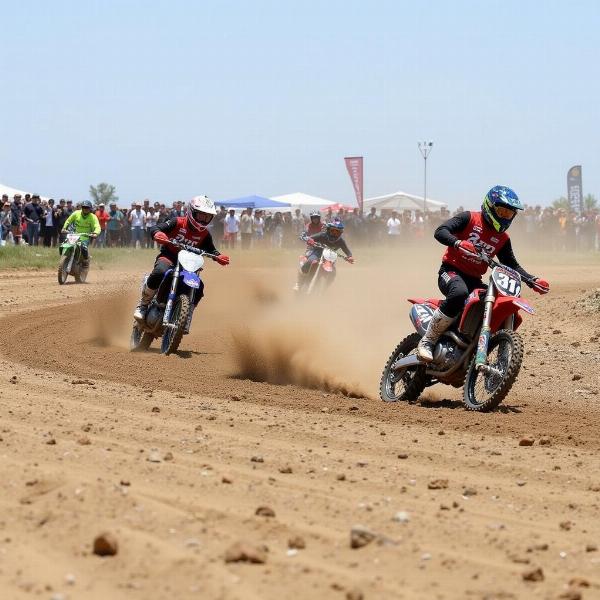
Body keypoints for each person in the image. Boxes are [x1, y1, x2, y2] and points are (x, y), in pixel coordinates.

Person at [416, 186, 550, 362]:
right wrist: (458, 243)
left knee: (495, 302)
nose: (504, 217)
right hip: (450, 271)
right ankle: (428, 340)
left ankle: (473, 345)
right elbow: (440, 231)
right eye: (501, 211)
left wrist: (533, 280)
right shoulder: (469, 218)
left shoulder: (503, 239)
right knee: (459, 294)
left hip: (474, 280)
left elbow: (511, 264)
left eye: (509, 214)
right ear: (489, 206)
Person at [133, 195, 230, 322]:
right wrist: (158, 233)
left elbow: (211, 249)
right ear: (192, 212)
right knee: (160, 272)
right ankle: (143, 305)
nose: (204, 219)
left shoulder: (205, 234)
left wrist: (218, 256)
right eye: (201, 215)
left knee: (199, 286)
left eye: (207, 216)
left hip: (189, 264)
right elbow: (155, 228)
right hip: (169, 256)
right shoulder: (177, 222)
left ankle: (187, 313)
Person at [293, 220, 354, 291]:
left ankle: (324, 289)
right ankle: (299, 283)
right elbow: (310, 238)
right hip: (317, 252)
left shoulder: (341, 241)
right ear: (328, 230)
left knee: (333, 273)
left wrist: (350, 257)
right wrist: (309, 240)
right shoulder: (322, 235)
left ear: (340, 233)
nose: (335, 234)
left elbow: (347, 250)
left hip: (329, 257)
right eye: (333, 231)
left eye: (337, 232)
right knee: (310, 261)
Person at [60, 199, 100, 267]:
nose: (85, 209)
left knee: (84, 247)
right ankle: (65, 259)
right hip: (74, 235)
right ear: (82, 207)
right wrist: (64, 228)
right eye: (84, 207)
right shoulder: (76, 213)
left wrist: (96, 233)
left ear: (90, 209)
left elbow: (97, 226)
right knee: (65, 244)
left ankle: (85, 261)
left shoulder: (93, 217)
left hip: (85, 237)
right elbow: (68, 220)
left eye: (87, 208)